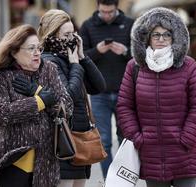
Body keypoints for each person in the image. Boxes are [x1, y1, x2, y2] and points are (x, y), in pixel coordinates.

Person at [117, 7, 196, 187]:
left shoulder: (188, 65)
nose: (161, 39)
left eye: (166, 34)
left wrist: (186, 138)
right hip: (151, 153)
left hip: (184, 152)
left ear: (175, 37)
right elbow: (124, 106)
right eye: (156, 34)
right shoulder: (135, 67)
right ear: (147, 37)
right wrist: (137, 137)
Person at [0, 24, 73, 187]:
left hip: (45, 161)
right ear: (14, 51)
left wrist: (38, 90)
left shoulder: (49, 69)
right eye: (31, 48)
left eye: (39, 48)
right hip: (13, 159)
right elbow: (1, 113)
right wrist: (39, 101)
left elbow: (67, 106)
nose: (37, 53)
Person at [37, 9, 106, 187]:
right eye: (66, 34)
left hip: (80, 139)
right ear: (52, 35)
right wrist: (75, 66)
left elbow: (99, 87)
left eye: (73, 33)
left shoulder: (70, 57)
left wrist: (83, 58)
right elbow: (68, 96)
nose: (72, 39)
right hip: (63, 140)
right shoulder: (49, 62)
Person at [79, 0, 134, 178]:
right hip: (98, 93)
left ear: (117, 8)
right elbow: (80, 57)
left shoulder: (130, 24)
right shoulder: (88, 26)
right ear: (98, 8)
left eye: (110, 12)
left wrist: (126, 51)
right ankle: (109, 180)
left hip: (125, 92)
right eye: (103, 12)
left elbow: (141, 56)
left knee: (125, 140)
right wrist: (97, 50)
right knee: (103, 141)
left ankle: (123, 180)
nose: (107, 15)